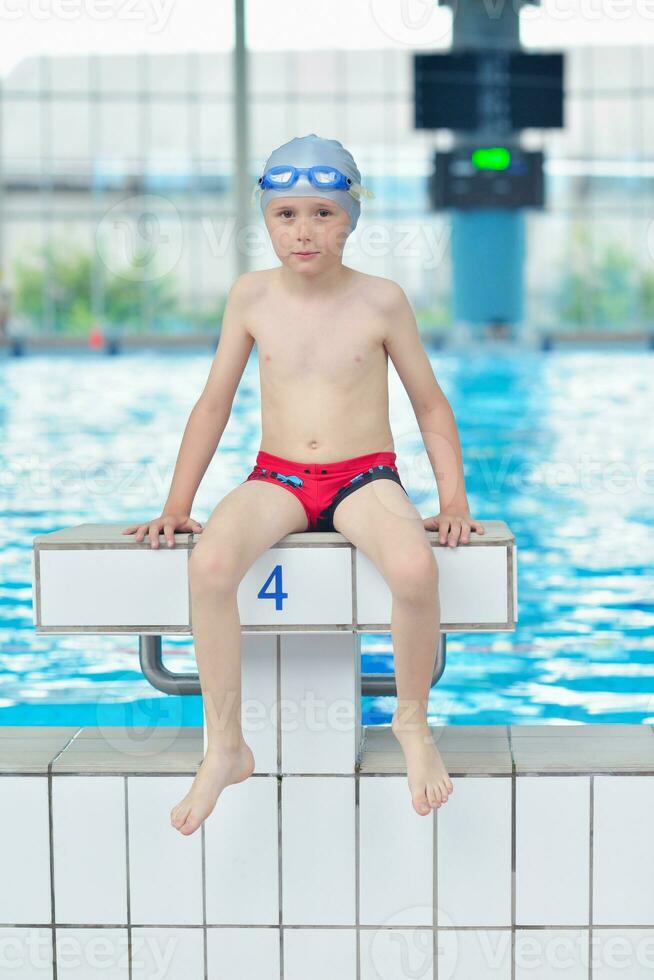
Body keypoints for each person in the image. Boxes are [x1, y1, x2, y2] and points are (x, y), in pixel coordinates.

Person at [122, 133, 485, 836]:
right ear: (265, 219)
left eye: (323, 212)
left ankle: (412, 722)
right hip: (279, 475)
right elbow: (214, 402)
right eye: (286, 214)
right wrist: (178, 505)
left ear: (352, 217)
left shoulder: (382, 301)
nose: (304, 230)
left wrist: (454, 500)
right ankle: (226, 744)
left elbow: (430, 404)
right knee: (212, 566)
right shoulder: (250, 296)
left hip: (363, 476)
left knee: (414, 568)